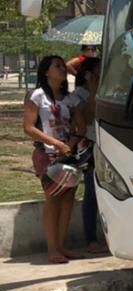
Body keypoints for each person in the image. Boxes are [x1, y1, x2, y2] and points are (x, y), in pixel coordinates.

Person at [23, 55, 81, 264]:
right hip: (47, 153)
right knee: (53, 198)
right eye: (57, 66)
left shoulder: (70, 98)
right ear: (46, 71)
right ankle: (52, 248)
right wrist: (55, 144)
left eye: (63, 66)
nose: (62, 70)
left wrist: (72, 143)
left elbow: (79, 126)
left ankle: (62, 245)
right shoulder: (37, 96)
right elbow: (29, 127)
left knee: (68, 200)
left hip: (68, 153)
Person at [69, 57, 107, 255]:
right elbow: (87, 118)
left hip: (105, 143)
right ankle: (91, 238)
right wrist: (93, 90)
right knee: (91, 193)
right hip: (90, 146)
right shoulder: (80, 94)